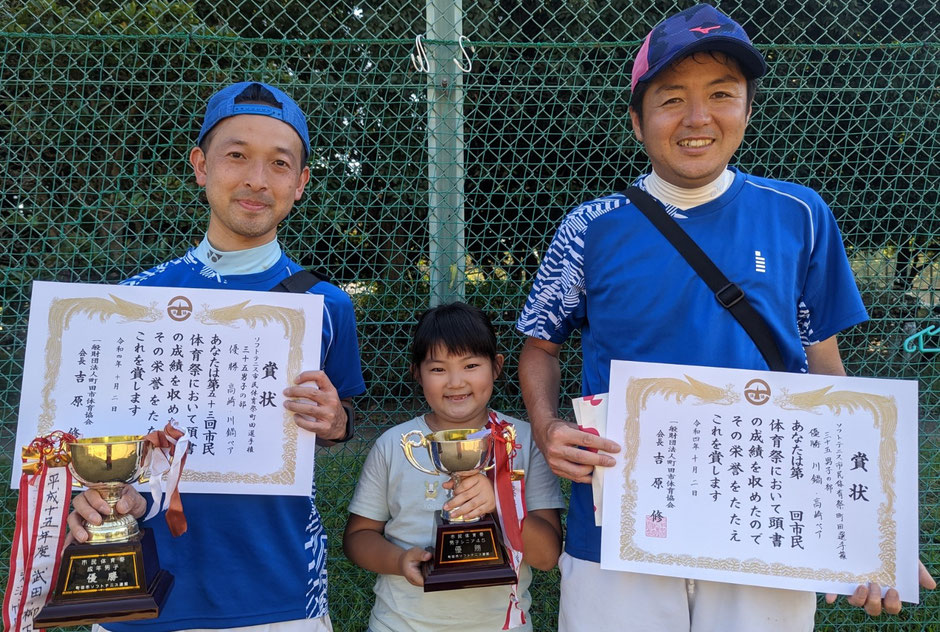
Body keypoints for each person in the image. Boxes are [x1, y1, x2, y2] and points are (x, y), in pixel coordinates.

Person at [515, 4, 935, 631]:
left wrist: (867, 530)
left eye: (720, 94)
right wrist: (548, 429)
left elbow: (824, 365)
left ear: (746, 107)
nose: (696, 118)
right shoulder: (590, 227)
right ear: (637, 119)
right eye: (671, 98)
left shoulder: (801, 215)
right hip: (616, 526)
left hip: (764, 528)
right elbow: (539, 348)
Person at [66, 81, 366, 632]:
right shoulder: (131, 301)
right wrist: (91, 496)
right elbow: (87, 438)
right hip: (141, 586)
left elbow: (342, 419)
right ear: (201, 166)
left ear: (299, 184)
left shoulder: (326, 304)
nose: (256, 180)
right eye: (236, 156)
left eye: (279, 164)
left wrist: (335, 421)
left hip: (278, 590)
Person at [344, 302, 563, 632]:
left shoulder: (524, 441)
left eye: (471, 365)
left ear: (497, 367)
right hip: (402, 624)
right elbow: (358, 537)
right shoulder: (395, 444)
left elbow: (547, 556)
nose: (456, 382)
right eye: (438, 369)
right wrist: (399, 561)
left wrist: (501, 502)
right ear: (416, 372)